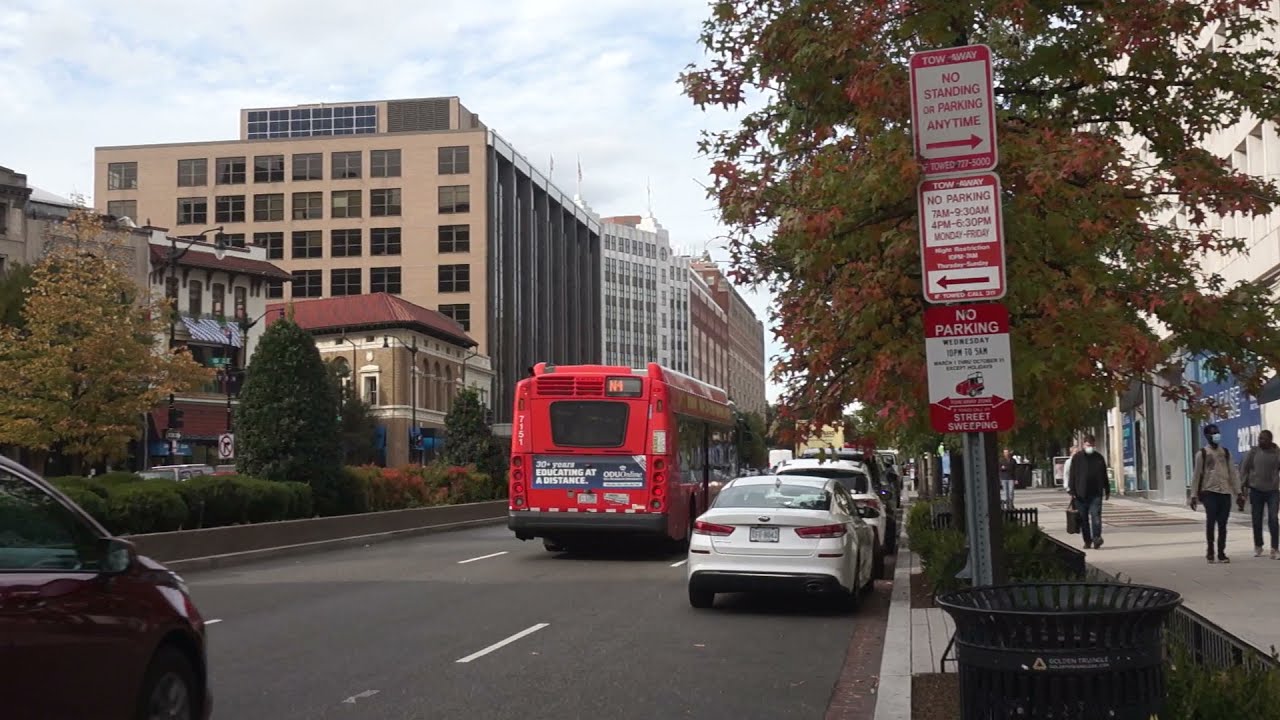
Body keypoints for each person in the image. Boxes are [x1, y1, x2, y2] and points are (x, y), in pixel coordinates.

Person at [1190, 423, 1244, 564]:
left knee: (1223, 524)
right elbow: (1197, 475)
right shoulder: (1202, 454)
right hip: (1209, 492)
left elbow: (1233, 473)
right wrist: (1193, 495)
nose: (1216, 436)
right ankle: (1210, 551)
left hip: (1225, 492)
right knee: (1211, 521)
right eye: (1213, 433)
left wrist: (1238, 492)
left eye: (1217, 433)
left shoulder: (1225, 453)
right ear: (1207, 436)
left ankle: (1221, 552)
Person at [1241, 430, 1280, 559]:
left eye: (1262, 439)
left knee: (1273, 519)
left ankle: (1275, 548)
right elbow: (1244, 468)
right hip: (1256, 490)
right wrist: (1242, 486)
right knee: (1256, 519)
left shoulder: (1277, 453)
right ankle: (1258, 546)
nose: (1259, 441)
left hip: (1272, 491)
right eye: (1259, 439)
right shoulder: (1253, 452)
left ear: (1270, 440)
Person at [1068, 435, 1110, 549]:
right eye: (1087, 445)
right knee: (1083, 519)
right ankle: (1087, 541)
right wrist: (1071, 490)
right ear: (1083, 445)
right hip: (1080, 494)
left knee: (1096, 516)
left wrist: (1107, 489)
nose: (1089, 447)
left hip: (1096, 493)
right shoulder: (1077, 457)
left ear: (1094, 445)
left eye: (1091, 445)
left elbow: (1104, 475)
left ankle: (1097, 538)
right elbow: (1072, 475)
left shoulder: (1099, 458)